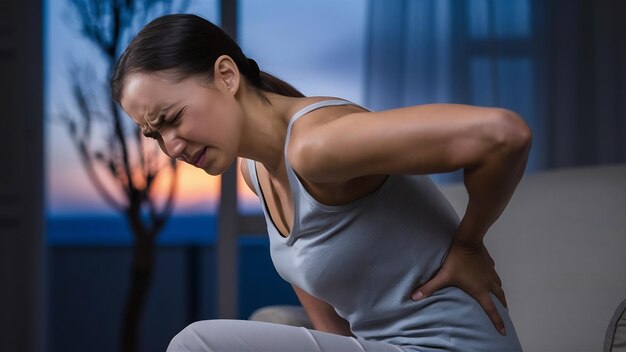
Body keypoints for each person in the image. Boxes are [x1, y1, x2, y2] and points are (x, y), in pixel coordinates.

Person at [111, 13, 531, 352]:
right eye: (154, 134)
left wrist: (468, 243)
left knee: (195, 344)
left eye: (172, 119)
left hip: (449, 346)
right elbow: (330, 328)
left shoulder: (316, 146)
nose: (170, 146)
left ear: (226, 75)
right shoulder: (255, 171)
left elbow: (502, 135)